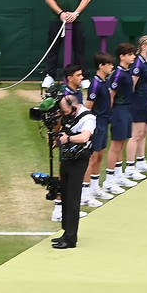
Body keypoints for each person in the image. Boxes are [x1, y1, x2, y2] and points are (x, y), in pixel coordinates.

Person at [42, 0, 92, 86]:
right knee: (53, 49)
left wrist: (75, 13)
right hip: (57, 19)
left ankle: (83, 77)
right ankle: (49, 76)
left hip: (77, 19)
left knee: (79, 49)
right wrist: (60, 13)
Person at [51, 95, 95, 250]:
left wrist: (68, 138)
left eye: (66, 111)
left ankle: (71, 238)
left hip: (79, 161)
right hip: (67, 158)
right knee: (65, 194)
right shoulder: (70, 115)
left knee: (73, 197)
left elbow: (84, 137)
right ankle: (66, 232)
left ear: (74, 108)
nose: (65, 114)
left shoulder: (88, 118)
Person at [102, 43, 138, 195]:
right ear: (122, 56)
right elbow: (111, 95)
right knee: (116, 145)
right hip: (119, 111)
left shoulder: (127, 72)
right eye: (129, 54)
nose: (133, 56)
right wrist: (110, 114)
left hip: (126, 110)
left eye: (133, 54)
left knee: (121, 144)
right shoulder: (118, 74)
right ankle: (109, 181)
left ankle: (118, 175)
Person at [82, 52, 115, 208]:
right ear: (101, 66)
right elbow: (88, 107)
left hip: (103, 122)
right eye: (109, 64)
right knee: (92, 158)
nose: (112, 67)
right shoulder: (95, 85)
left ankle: (94, 188)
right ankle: (84, 193)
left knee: (99, 156)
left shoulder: (104, 82)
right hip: (96, 123)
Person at [127, 36, 147, 180]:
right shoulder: (137, 64)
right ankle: (129, 166)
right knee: (136, 134)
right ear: (143, 46)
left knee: (145, 132)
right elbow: (131, 86)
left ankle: (141, 161)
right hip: (138, 103)